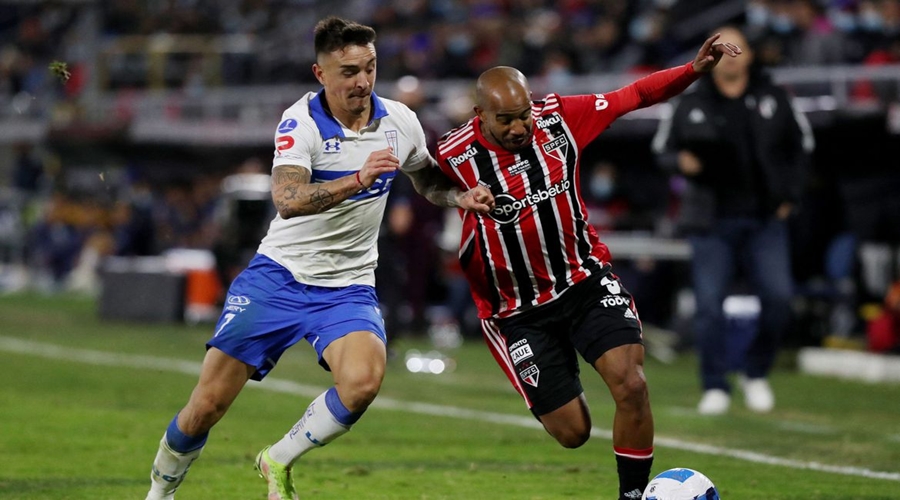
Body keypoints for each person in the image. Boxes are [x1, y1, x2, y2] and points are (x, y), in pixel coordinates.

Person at [144, 16, 492, 500]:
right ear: (320, 74)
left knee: (363, 382)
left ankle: (277, 460)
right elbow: (287, 199)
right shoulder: (300, 122)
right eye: (348, 71)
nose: (362, 81)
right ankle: (159, 494)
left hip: (347, 286)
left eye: (369, 67)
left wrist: (461, 197)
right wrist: (357, 179)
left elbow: (426, 178)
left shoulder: (399, 121)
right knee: (205, 407)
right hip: (278, 279)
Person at [433, 35, 742, 500]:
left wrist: (692, 69)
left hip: (584, 280)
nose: (519, 127)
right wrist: (458, 198)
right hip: (517, 311)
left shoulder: (559, 118)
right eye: (505, 120)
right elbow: (421, 182)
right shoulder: (452, 154)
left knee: (633, 385)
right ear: (480, 115)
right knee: (572, 432)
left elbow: (633, 95)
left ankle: (632, 496)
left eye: (524, 115)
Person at [651, 26, 814, 416]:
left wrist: (791, 196)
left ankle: (755, 372)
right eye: (720, 46)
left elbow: (802, 148)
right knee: (708, 307)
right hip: (710, 222)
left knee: (778, 299)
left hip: (764, 218)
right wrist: (680, 163)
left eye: (736, 45)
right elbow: (661, 149)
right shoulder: (689, 101)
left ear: (751, 54)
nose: (729, 53)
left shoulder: (775, 96)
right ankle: (714, 384)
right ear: (710, 54)